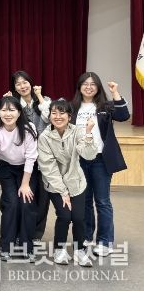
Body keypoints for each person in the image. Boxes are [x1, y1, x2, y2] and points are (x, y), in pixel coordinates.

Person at [71, 72, 130, 257]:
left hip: (100, 160)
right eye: (85, 84)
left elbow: (123, 115)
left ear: (98, 87)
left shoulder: (105, 106)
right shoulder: (72, 107)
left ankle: (105, 241)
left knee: (102, 201)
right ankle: (86, 236)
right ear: (79, 86)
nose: (89, 87)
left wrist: (115, 92)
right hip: (79, 159)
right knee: (85, 201)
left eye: (93, 84)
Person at [37, 99, 97, 267]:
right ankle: (59, 249)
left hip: (76, 182)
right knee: (64, 216)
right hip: (55, 184)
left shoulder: (77, 131)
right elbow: (48, 168)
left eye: (62, 113)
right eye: (54, 113)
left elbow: (89, 155)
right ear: (49, 116)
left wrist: (88, 133)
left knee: (78, 218)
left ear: (69, 117)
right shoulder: (45, 137)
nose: (57, 116)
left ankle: (79, 250)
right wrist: (63, 191)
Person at [0, 96, 38, 262]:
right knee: (11, 203)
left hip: (26, 169)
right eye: (4, 110)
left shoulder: (29, 128)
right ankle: (6, 246)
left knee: (26, 203)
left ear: (19, 112)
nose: (8, 114)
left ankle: (27, 246)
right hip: (6, 167)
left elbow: (31, 157)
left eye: (12, 110)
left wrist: (25, 184)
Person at [8, 71, 52, 243]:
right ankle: (19, 231)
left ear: (31, 83)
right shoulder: (13, 104)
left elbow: (49, 118)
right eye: (18, 83)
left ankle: (36, 234)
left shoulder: (44, 100)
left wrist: (39, 97)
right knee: (23, 198)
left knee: (42, 198)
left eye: (25, 82)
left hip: (44, 156)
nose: (22, 86)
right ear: (14, 87)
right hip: (22, 157)